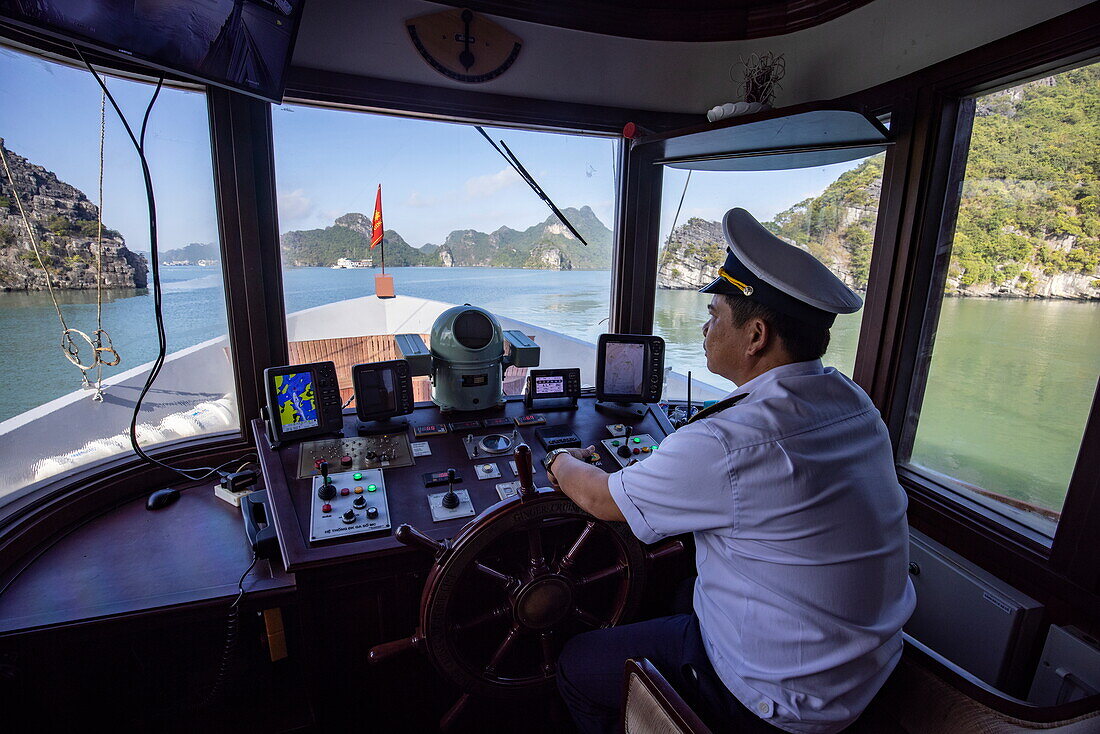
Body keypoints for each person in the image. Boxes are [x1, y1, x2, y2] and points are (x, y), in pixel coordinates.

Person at [546, 208, 916, 734]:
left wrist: (557, 460)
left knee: (577, 663)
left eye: (716, 314)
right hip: (868, 672)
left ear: (756, 335)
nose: (705, 326)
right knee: (676, 588)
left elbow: (605, 500)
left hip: (775, 702)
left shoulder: (726, 439)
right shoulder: (852, 401)